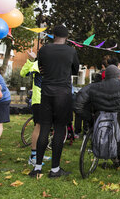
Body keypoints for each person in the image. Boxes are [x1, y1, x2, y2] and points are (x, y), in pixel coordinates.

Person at [29, 25, 79, 178]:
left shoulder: (44, 50)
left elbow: (40, 67)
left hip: (46, 92)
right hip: (63, 93)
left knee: (44, 128)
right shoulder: (71, 51)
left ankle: (37, 167)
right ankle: (55, 170)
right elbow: (75, 71)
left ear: (53, 35)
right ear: (67, 36)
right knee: (59, 129)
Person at [74, 65, 120, 166]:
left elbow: (77, 105)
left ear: (105, 75)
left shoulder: (93, 87)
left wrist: (90, 119)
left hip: (99, 121)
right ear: (118, 76)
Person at [20, 51, 51, 166]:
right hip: (39, 100)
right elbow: (23, 73)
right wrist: (31, 60)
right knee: (38, 127)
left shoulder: (51, 65)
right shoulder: (36, 65)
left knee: (44, 128)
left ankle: (39, 154)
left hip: (48, 99)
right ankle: (33, 156)